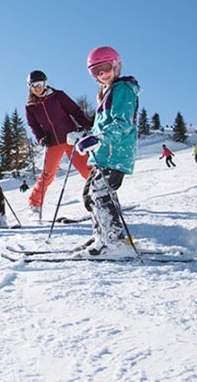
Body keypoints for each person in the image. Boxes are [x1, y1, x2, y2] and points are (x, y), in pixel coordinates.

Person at [71, 46, 142, 256]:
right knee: (89, 196)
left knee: (101, 193)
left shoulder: (123, 89)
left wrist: (99, 138)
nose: (102, 74)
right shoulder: (105, 92)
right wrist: (84, 136)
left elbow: (122, 123)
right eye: (96, 71)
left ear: (116, 65)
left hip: (116, 153)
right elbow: (100, 126)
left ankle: (114, 241)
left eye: (106, 68)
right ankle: (101, 235)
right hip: (102, 155)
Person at [24, 70, 93, 217]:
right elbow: (34, 126)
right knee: (47, 174)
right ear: (29, 86)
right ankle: (34, 203)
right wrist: (41, 138)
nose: (37, 88)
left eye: (40, 84)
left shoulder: (58, 96)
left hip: (71, 138)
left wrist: (87, 125)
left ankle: (102, 196)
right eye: (33, 85)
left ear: (45, 83)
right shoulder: (30, 106)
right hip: (53, 142)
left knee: (85, 168)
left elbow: (75, 111)